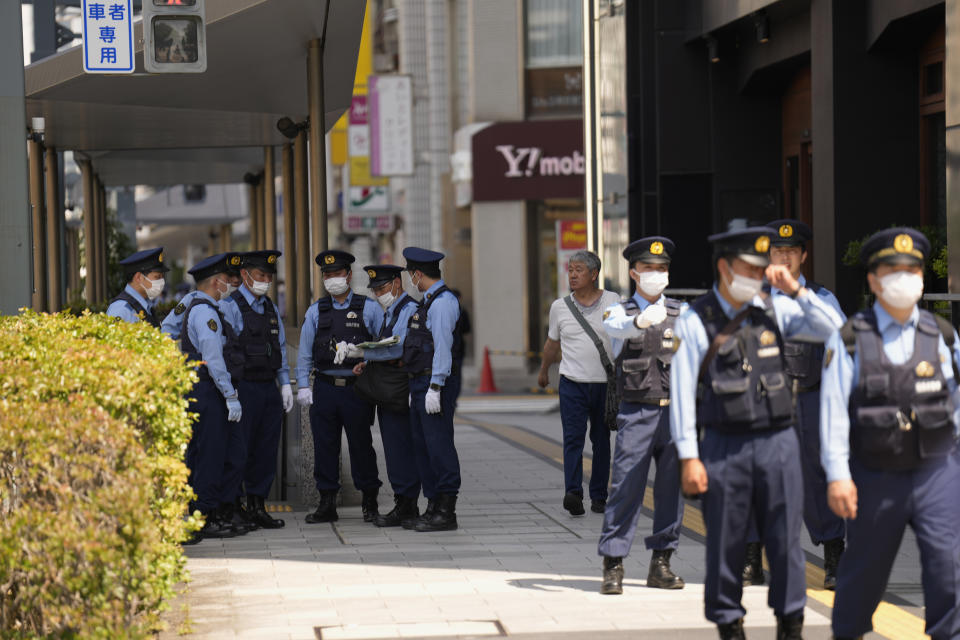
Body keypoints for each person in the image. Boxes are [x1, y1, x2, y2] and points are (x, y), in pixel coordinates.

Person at [670, 227, 843, 640]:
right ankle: (729, 621)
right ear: (725, 268)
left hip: (779, 441)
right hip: (723, 444)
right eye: (751, 267)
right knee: (726, 541)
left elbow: (837, 329)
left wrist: (798, 292)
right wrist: (689, 456)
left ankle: (790, 620)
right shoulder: (697, 320)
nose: (760, 273)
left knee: (785, 540)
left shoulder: (775, 310)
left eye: (761, 267)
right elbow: (680, 394)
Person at [821, 228, 960, 640]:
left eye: (912, 270)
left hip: (937, 470)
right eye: (892, 270)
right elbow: (832, 414)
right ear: (874, 279)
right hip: (874, 473)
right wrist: (837, 476)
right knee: (864, 572)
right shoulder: (849, 339)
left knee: (948, 566)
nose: (904, 278)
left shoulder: (944, 336)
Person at [741, 219, 846, 590]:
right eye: (776, 251)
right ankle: (752, 559)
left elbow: (840, 337)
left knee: (817, 477)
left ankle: (834, 554)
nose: (783, 256)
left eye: (790, 250)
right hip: (761, 402)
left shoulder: (821, 297)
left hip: (808, 399)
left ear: (803, 254)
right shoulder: (751, 297)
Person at [597, 237, 686, 595]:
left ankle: (661, 563)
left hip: (676, 414)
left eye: (661, 269)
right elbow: (614, 329)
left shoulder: (684, 313)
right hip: (637, 412)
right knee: (625, 487)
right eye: (648, 269)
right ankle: (613, 562)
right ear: (633, 272)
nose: (655, 274)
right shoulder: (620, 311)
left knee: (671, 491)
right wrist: (639, 323)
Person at [296, 250, 384, 524]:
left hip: (356, 389)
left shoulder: (367, 308)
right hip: (324, 387)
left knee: (361, 445)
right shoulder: (316, 311)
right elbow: (304, 354)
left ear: (348, 275)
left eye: (337, 274)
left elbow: (384, 348)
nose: (332, 279)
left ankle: (369, 499)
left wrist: (364, 358)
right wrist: (302, 386)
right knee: (325, 446)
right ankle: (326, 502)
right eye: (327, 275)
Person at [334, 265, 425, 527]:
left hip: (398, 391)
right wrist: (369, 363)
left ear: (398, 283)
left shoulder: (407, 309)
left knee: (402, 448)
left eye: (383, 288)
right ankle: (403, 502)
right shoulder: (392, 311)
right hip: (388, 390)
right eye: (375, 290)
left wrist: (365, 354)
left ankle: (407, 504)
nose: (379, 294)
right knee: (394, 448)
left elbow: (398, 349)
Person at [538, 250, 621, 516]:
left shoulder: (613, 301)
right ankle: (573, 492)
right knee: (572, 439)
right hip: (572, 383)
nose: (572, 275)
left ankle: (599, 495)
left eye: (578, 270)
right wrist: (543, 370)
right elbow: (552, 344)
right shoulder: (559, 307)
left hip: (604, 385)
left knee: (601, 440)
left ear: (594, 274)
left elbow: (624, 340)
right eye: (570, 270)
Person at [219, 250, 293, 530]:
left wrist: (285, 382)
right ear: (245, 275)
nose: (265, 281)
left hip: (268, 387)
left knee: (265, 450)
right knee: (240, 450)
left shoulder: (271, 308)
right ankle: (235, 505)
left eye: (268, 277)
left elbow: (280, 347)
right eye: (260, 275)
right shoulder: (230, 306)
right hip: (243, 387)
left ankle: (257, 505)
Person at [179, 252, 245, 544]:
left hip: (201, 390)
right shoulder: (206, 313)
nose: (230, 286)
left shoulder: (197, 307)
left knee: (202, 453)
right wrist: (230, 394)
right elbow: (214, 359)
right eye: (226, 281)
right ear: (217, 282)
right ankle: (202, 518)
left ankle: (204, 513)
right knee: (209, 456)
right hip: (208, 391)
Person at [400, 247, 465, 532]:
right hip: (420, 382)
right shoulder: (428, 302)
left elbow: (443, 347)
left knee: (439, 446)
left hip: (433, 383)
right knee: (423, 446)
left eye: (410, 275)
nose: (410, 280)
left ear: (416, 274)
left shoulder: (442, 303)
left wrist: (436, 386)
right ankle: (432, 505)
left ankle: (446, 509)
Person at [162, 256, 243, 340]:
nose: (236, 280)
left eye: (238, 275)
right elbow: (168, 328)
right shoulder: (192, 299)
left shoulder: (237, 301)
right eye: (229, 276)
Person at [106, 247, 169, 326]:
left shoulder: (146, 305)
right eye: (157, 277)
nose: (161, 281)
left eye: (162, 277)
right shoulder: (121, 309)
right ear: (138, 277)